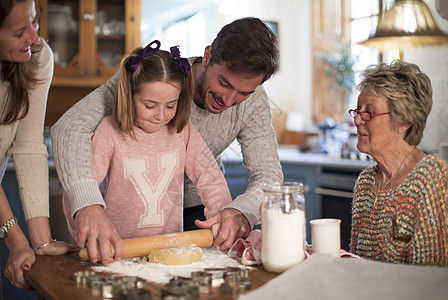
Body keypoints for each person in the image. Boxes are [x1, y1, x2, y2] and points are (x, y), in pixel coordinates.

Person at [51, 17, 283, 265]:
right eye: (224, 83)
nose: (228, 100)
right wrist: (88, 204)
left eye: (244, 92)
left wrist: (240, 211)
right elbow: (69, 126)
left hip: (201, 216)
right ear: (208, 55)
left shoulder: (254, 103)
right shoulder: (156, 80)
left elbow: (268, 175)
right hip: (126, 221)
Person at [62, 41, 232, 258]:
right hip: (118, 252)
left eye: (170, 105)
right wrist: (84, 234)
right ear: (129, 96)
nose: (160, 115)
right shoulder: (109, 131)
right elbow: (78, 187)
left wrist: (221, 217)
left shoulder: (183, 131)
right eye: (150, 105)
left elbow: (211, 179)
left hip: (170, 252)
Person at [0, 0, 76, 292]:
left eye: (35, 22)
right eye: (20, 31)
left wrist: (41, 243)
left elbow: (29, 146)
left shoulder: (37, 56)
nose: (33, 38)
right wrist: (17, 242)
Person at [349, 60, 448, 266]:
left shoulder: (430, 179)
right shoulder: (365, 183)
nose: (358, 120)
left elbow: (429, 278)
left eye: (369, 112)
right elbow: (356, 264)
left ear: (403, 121)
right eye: (358, 110)